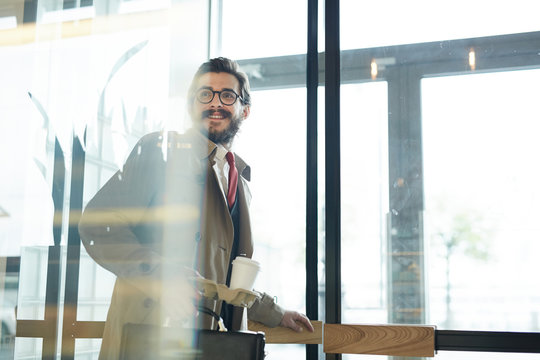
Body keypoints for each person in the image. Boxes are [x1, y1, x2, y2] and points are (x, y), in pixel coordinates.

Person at [78, 57, 313, 359]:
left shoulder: (240, 182)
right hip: (151, 336)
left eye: (227, 95)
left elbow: (226, 273)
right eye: (205, 94)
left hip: (216, 341)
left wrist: (274, 312)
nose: (215, 103)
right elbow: (98, 226)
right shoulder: (160, 153)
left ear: (245, 110)